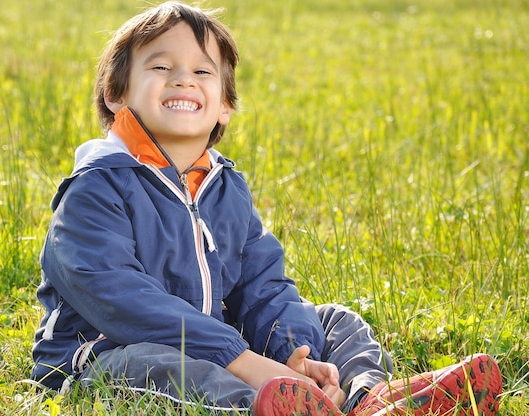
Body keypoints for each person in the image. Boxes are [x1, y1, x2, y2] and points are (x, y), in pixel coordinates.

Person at [30, 2, 502, 415]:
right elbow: (120, 298)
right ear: (116, 95)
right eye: (160, 67)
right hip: (104, 353)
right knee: (150, 363)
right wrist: (244, 361)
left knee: (333, 319)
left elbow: (263, 284)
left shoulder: (225, 187)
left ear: (225, 106)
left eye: (202, 71)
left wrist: (292, 353)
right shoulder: (96, 186)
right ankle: (268, 406)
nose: (182, 79)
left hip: (223, 346)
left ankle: (366, 399)